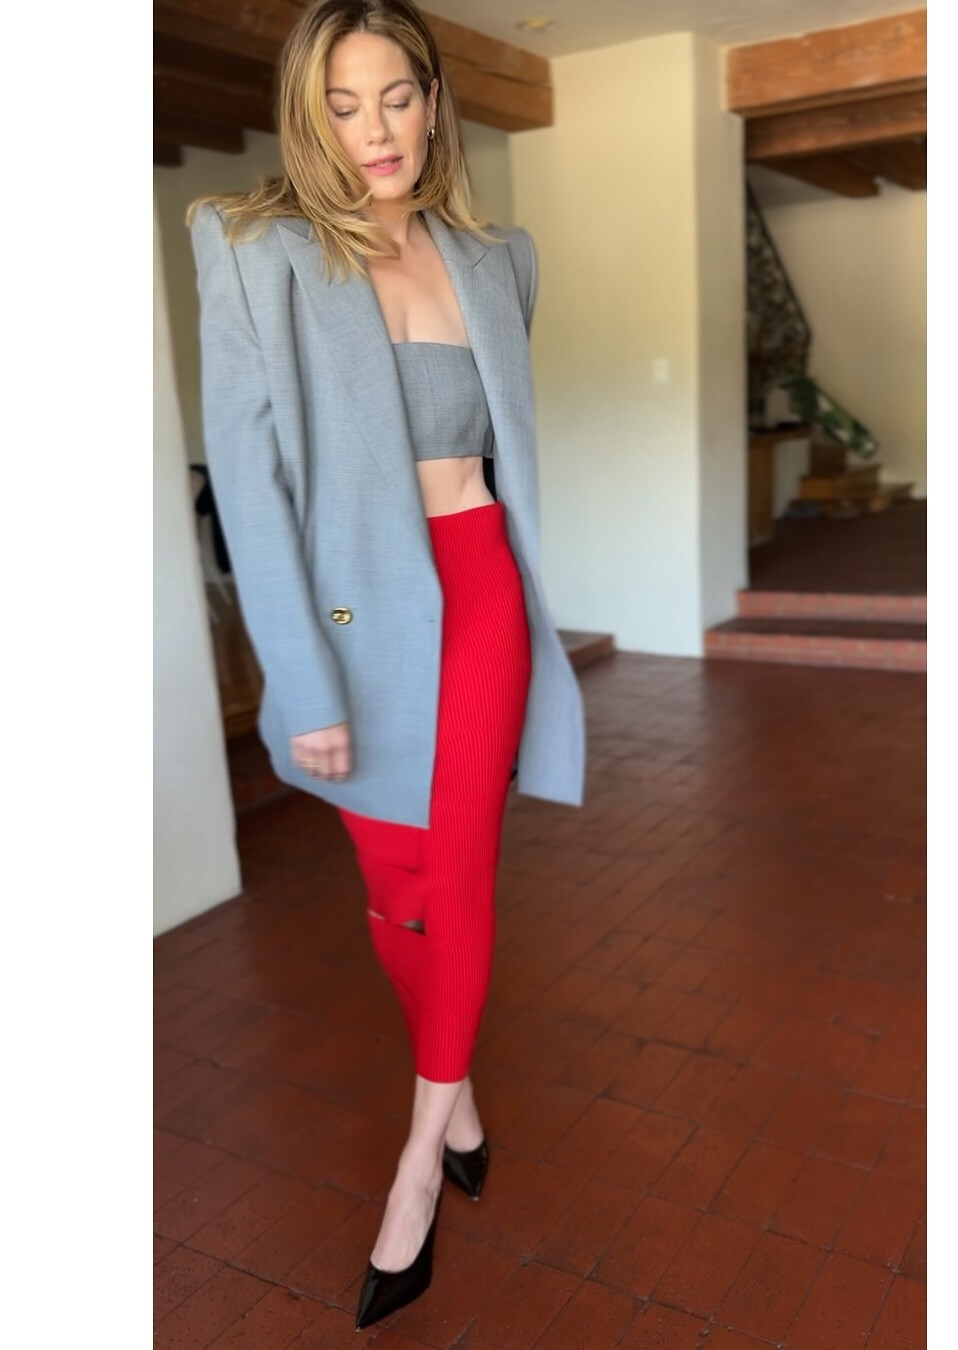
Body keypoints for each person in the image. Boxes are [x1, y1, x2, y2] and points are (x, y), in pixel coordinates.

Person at [186, 0, 586, 1330]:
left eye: (397, 97)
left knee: (454, 870)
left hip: (478, 593)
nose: (376, 131)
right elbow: (250, 488)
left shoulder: (498, 258)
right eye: (343, 105)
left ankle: (417, 1169)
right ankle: (457, 1099)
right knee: (396, 883)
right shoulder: (257, 249)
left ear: (432, 101)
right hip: (354, 622)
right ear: (311, 116)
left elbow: (498, 448)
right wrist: (298, 680)